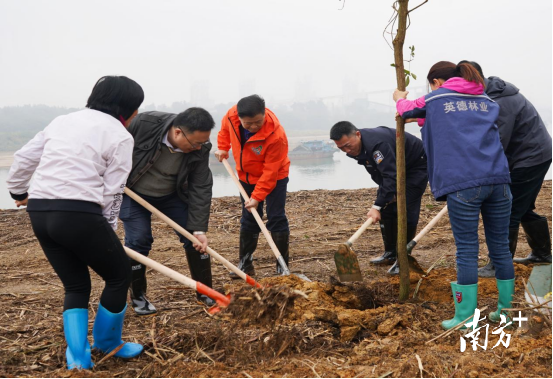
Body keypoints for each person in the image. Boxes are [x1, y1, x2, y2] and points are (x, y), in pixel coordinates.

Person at [6, 76, 145, 369]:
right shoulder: (120, 136)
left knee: (76, 284)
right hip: (80, 214)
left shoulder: (62, 121)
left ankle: (79, 358)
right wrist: (107, 229)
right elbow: (113, 190)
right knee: (119, 274)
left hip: (40, 212)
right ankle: (108, 342)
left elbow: (23, 158)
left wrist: (19, 191)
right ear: (128, 109)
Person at [394, 61, 514, 329]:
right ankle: (506, 313)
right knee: (501, 248)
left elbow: (405, 109)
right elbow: (460, 126)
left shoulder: (439, 97)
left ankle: (466, 318)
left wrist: (398, 98)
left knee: (468, 249)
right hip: (499, 181)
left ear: (436, 82)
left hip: (464, 184)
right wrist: (425, 118)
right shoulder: (484, 99)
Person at [457, 61, 552, 277]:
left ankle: (499, 264)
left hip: (530, 157)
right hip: (529, 154)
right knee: (523, 206)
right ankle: (542, 254)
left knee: (508, 211)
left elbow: (497, 141)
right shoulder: (490, 93)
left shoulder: (499, 101)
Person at [120, 107, 216, 314]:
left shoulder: (200, 148)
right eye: (196, 143)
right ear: (178, 132)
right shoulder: (144, 124)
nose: (199, 147)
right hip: (133, 192)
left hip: (172, 195)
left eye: (203, 143)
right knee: (138, 240)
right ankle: (138, 296)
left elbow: (201, 186)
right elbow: (111, 149)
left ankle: (206, 292)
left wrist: (199, 229)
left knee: (194, 239)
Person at [329, 122, 428, 275]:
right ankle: (390, 253)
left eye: (348, 146)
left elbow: (390, 175)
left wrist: (377, 205)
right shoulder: (358, 147)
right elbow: (379, 173)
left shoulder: (378, 145)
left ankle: (403, 259)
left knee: (405, 208)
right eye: (341, 148)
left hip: (416, 166)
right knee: (386, 208)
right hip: (394, 169)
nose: (346, 151)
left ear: (358, 134)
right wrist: (384, 198)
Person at [214, 94, 290, 278]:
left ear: (264, 113)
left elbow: (271, 171)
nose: (254, 126)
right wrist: (223, 147)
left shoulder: (276, 135)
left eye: (258, 121)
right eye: (248, 124)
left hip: (275, 177)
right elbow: (224, 131)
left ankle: (282, 266)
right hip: (245, 177)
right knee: (249, 218)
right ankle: (245, 264)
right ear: (239, 117)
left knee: (276, 217)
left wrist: (257, 197)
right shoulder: (231, 116)